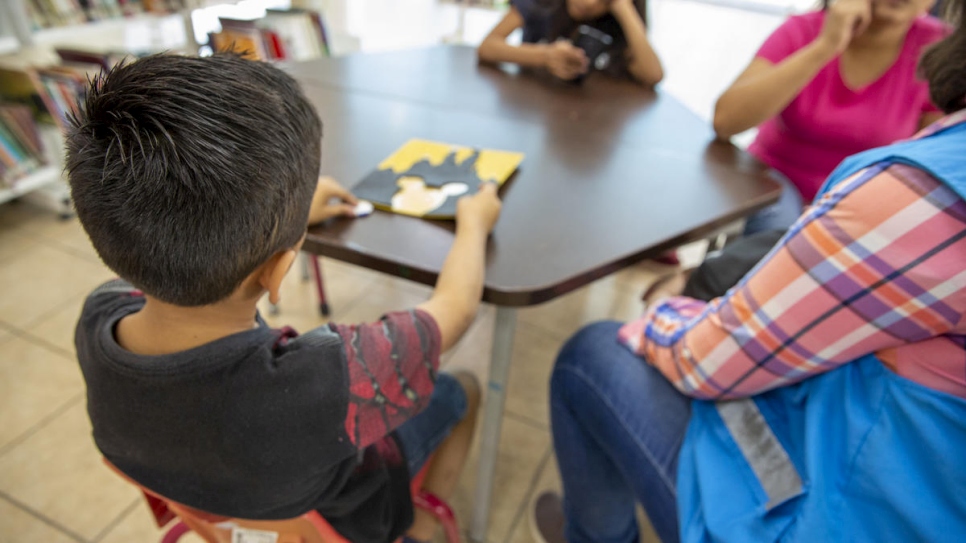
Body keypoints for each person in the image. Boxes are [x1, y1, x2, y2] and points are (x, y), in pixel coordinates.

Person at [532, 1, 966, 540]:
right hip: (785, 191)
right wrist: (826, 47)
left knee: (593, 354)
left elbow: (714, 360)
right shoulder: (808, 33)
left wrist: (670, 306)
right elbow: (727, 118)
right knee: (776, 231)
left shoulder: (921, 192)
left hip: (849, 228)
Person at [66, 53, 502, 543]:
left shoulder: (97, 314)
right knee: (462, 388)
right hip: (350, 519)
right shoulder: (327, 380)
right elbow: (457, 310)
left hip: (214, 513)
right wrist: (472, 225)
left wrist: (273, 229)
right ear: (277, 273)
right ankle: (424, 524)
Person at [714, 0, 947, 235]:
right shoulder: (805, 29)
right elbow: (726, 122)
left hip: (862, 198)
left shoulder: (939, 47)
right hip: (775, 183)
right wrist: (827, 45)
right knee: (777, 236)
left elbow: (930, 161)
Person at [478, 0, 663, 85]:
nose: (589, 3)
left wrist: (625, 10)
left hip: (593, 117)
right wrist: (544, 56)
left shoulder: (614, 21)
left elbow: (653, 74)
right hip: (534, 106)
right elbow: (487, 47)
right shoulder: (540, 4)